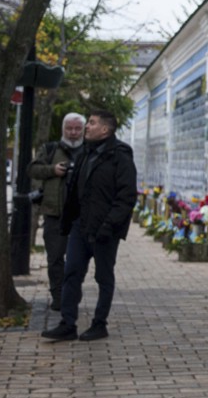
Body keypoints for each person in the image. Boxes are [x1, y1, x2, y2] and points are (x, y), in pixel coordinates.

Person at [40, 110, 137, 343]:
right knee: (71, 273)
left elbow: (126, 196)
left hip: (104, 230)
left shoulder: (120, 156)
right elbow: (75, 190)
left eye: (92, 123)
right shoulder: (85, 152)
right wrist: (69, 220)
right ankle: (67, 324)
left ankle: (99, 324)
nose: (87, 127)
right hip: (80, 227)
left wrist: (109, 225)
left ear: (105, 129)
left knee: (103, 277)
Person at [27, 112, 85, 311]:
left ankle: (73, 294)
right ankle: (59, 297)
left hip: (81, 216)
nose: (73, 132)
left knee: (78, 260)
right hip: (54, 214)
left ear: (83, 130)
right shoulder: (50, 149)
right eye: (69, 128)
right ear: (63, 129)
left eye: (77, 128)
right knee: (55, 258)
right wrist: (53, 170)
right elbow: (33, 169)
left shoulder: (89, 151)